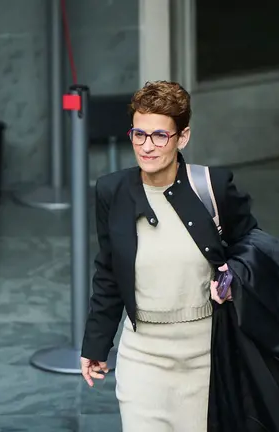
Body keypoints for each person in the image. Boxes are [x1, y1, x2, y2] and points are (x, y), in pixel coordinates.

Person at [79, 80, 258, 431]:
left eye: (160, 136)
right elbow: (108, 271)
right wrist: (96, 344)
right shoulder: (112, 191)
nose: (147, 146)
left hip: (206, 357)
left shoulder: (213, 187)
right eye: (139, 134)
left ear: (182, 137)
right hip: (142, 357)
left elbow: (252, 249)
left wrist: (232, 277)